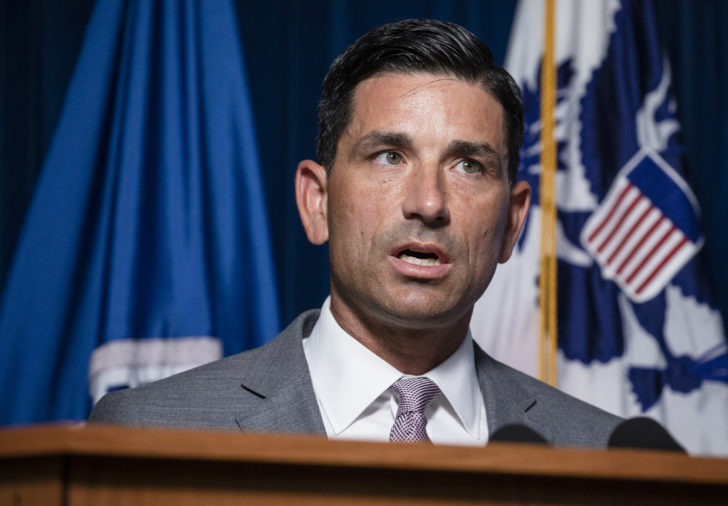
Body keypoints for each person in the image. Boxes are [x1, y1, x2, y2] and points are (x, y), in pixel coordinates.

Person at [90, 18, 621, 447]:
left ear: (511, 223)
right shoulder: (149, 434)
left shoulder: (600, 453)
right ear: (317, 202)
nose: (428, 203)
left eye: (467, 166)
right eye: (390, 157)